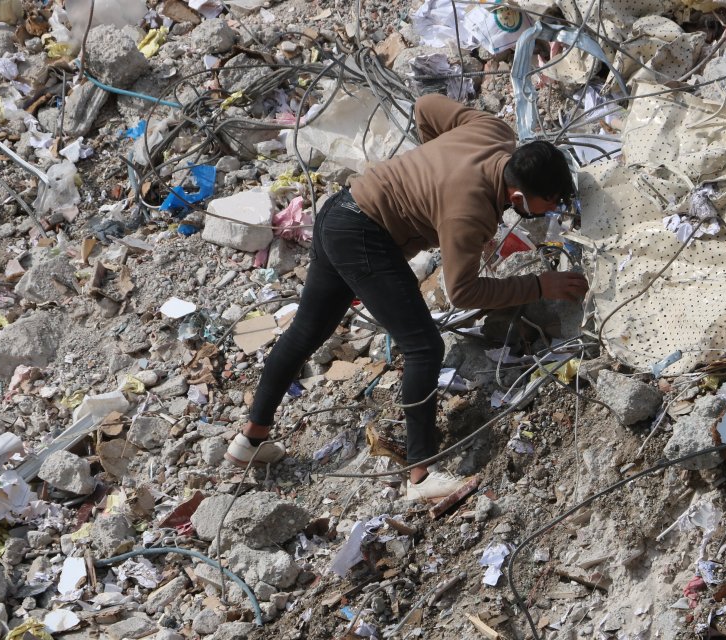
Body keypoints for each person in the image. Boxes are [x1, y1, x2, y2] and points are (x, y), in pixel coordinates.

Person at [225, 93, 589, 499]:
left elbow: (426, 106)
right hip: (365, 235)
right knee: (423, 346)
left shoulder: (495, 132)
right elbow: (463, 292)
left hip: (341, 210)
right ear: (518, 198)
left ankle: (250, 440)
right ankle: (421, 475)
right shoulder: (468, 211)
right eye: (548, 204)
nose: (551, 210)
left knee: (307, 331)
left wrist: (428, 170)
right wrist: (540, 285)